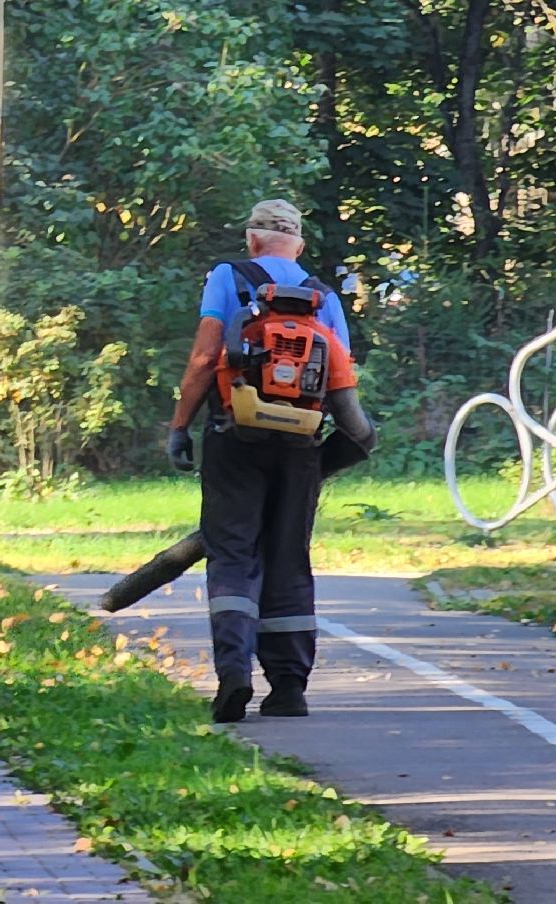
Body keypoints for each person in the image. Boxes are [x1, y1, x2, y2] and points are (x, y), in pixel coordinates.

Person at [166, 198, 374, 723]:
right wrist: (339, 447)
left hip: (233, 436)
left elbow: (204, 358)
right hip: (302, 446)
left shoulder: (227, 278)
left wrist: (179, 427)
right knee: (289, 556)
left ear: (252, 239)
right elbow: (340, 380)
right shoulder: (323, 296)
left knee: (233, 554)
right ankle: (288, 688)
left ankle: (233, 673)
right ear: (298, 246)